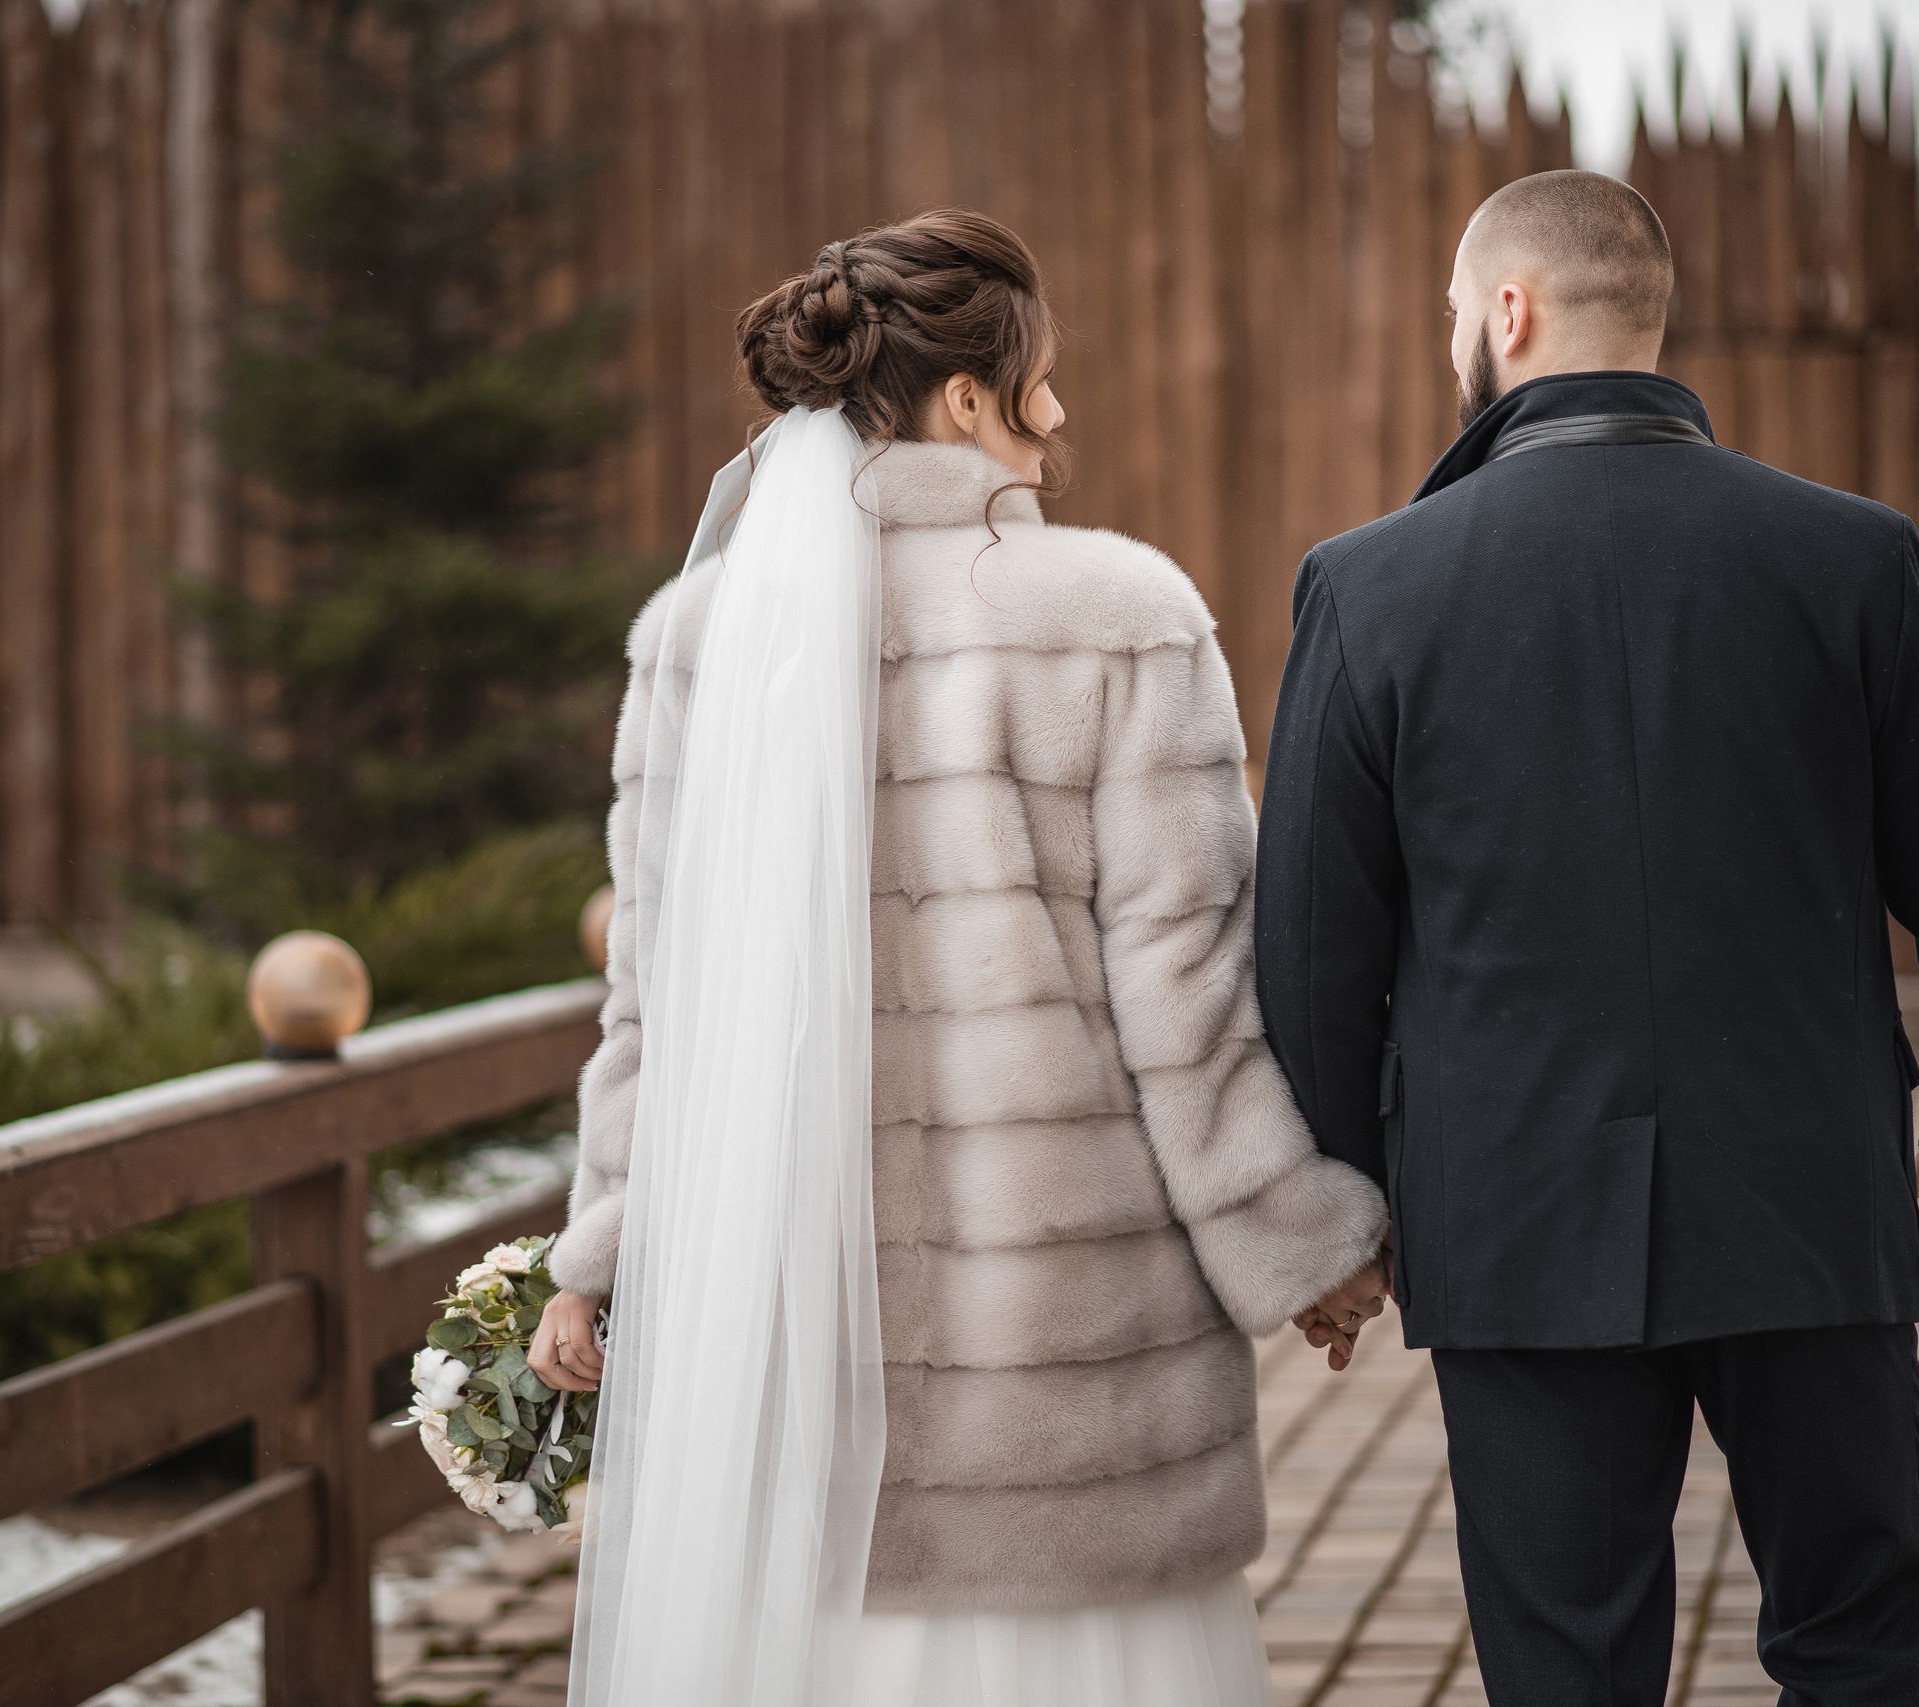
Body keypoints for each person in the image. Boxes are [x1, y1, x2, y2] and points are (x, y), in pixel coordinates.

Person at [525, 209, 1388, 1707]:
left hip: (793, 1356)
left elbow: (657, 1002)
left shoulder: (695, 641)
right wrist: (1307, 1249)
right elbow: (1186, 1004)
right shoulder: (1122, 623)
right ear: (976, 397)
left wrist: (602, 1249)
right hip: (1063, 1379)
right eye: (1043, 378)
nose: (1062, 418)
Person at [1253, 169, 1919, 1706]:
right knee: (1854, 1635)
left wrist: (1345, 1218)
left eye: (1452, 317)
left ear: (1510, 312)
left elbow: (1309, 952)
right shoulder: (1854, 556)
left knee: (1567, 1665)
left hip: (1507, 1220)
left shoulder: (1368, 586)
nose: (1452, 347)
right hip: (1809, 1198)